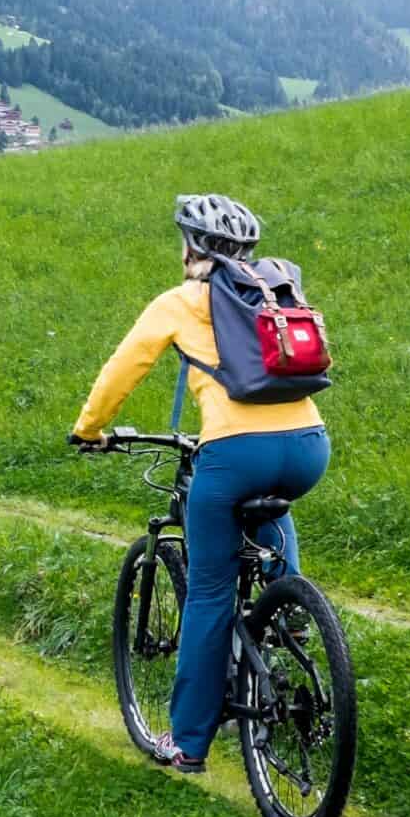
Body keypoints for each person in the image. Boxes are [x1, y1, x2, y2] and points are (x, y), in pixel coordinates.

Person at [69, 194, 331, 773]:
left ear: (190, 246)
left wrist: (90, 429)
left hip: (235, 453)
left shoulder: (181, 301)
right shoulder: (275, 289)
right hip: (311, 445)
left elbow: (124, 367)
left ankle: (187, 743)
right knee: (270, 509)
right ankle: (286, 616)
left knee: (210, 592)